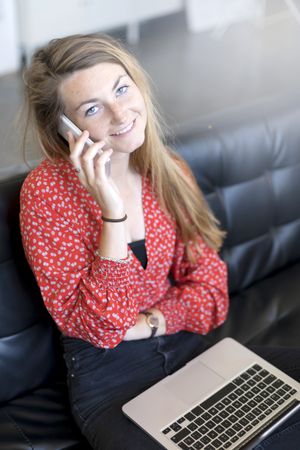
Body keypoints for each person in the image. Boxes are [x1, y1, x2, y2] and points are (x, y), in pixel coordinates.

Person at [20, 33, 300, 450]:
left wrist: (151, 322)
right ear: (65, 129)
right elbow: (102, 329)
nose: (120, 115)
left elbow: (212, 291)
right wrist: (112, 213)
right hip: (113, 387)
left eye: (121, 88)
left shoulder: (166, 169)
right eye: (93, 108)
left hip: (195, 354)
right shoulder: (46, 194)